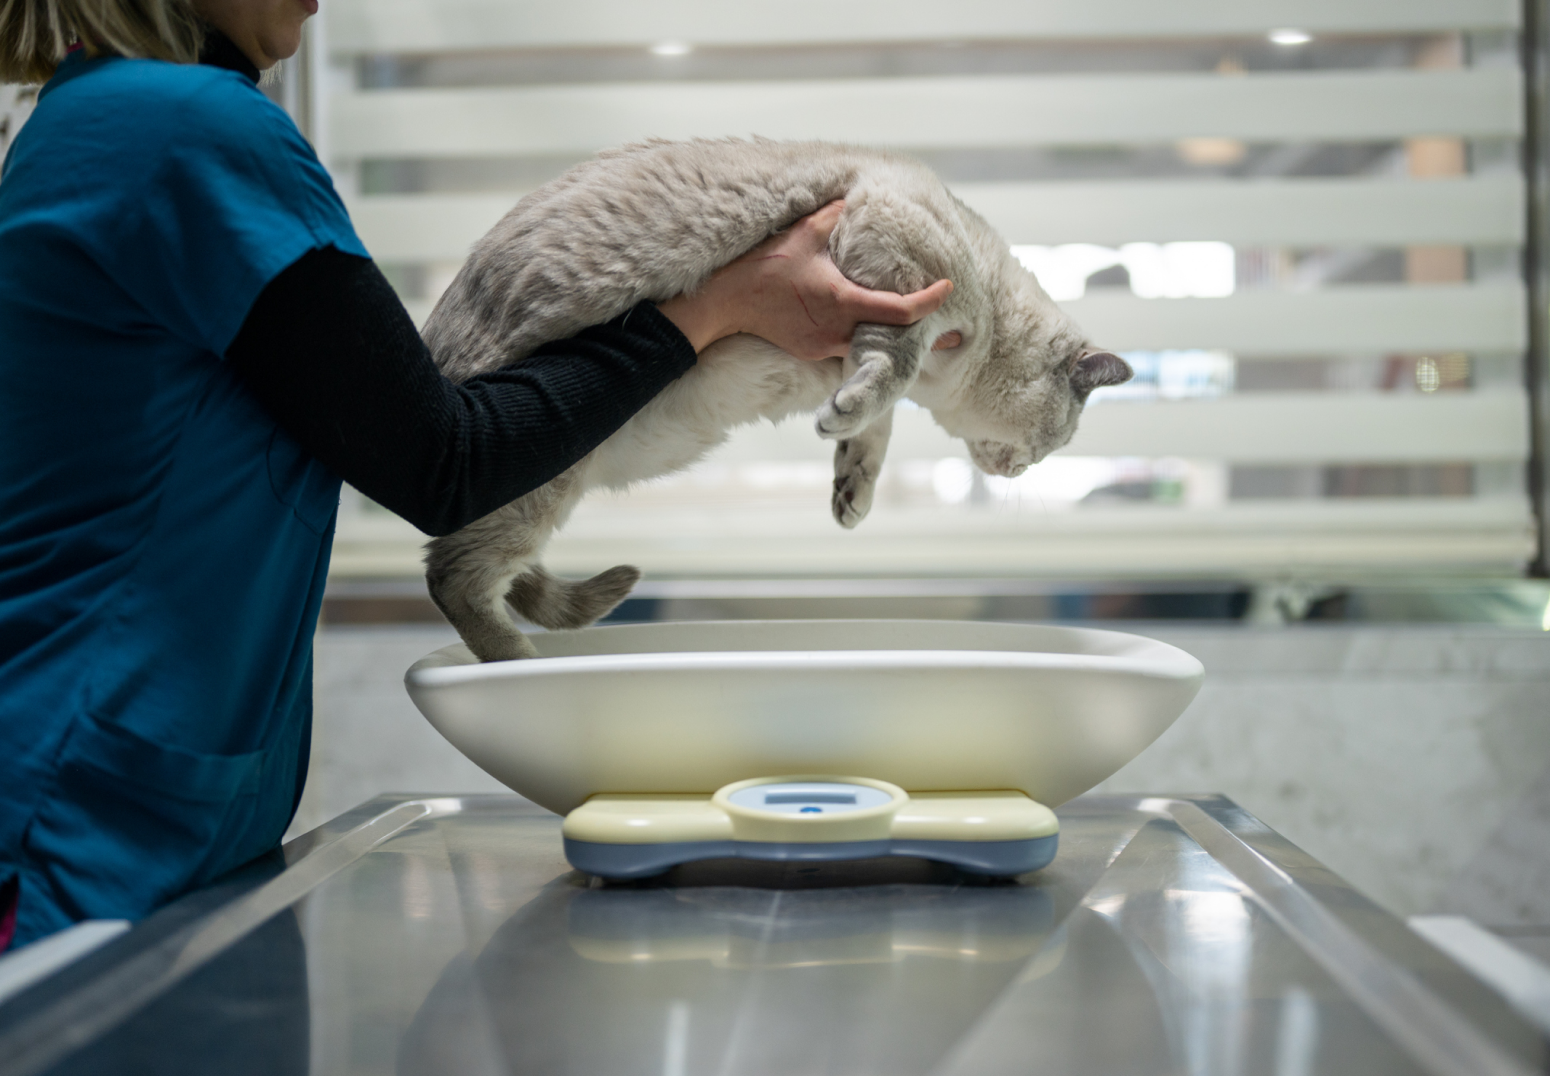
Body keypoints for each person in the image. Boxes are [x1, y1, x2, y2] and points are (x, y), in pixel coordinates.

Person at [0, 0, 951, 950]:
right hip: (78, 823)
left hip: (131, 798)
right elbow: (442, 461)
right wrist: (709, 310)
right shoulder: (187, 129)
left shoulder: (94, 116)